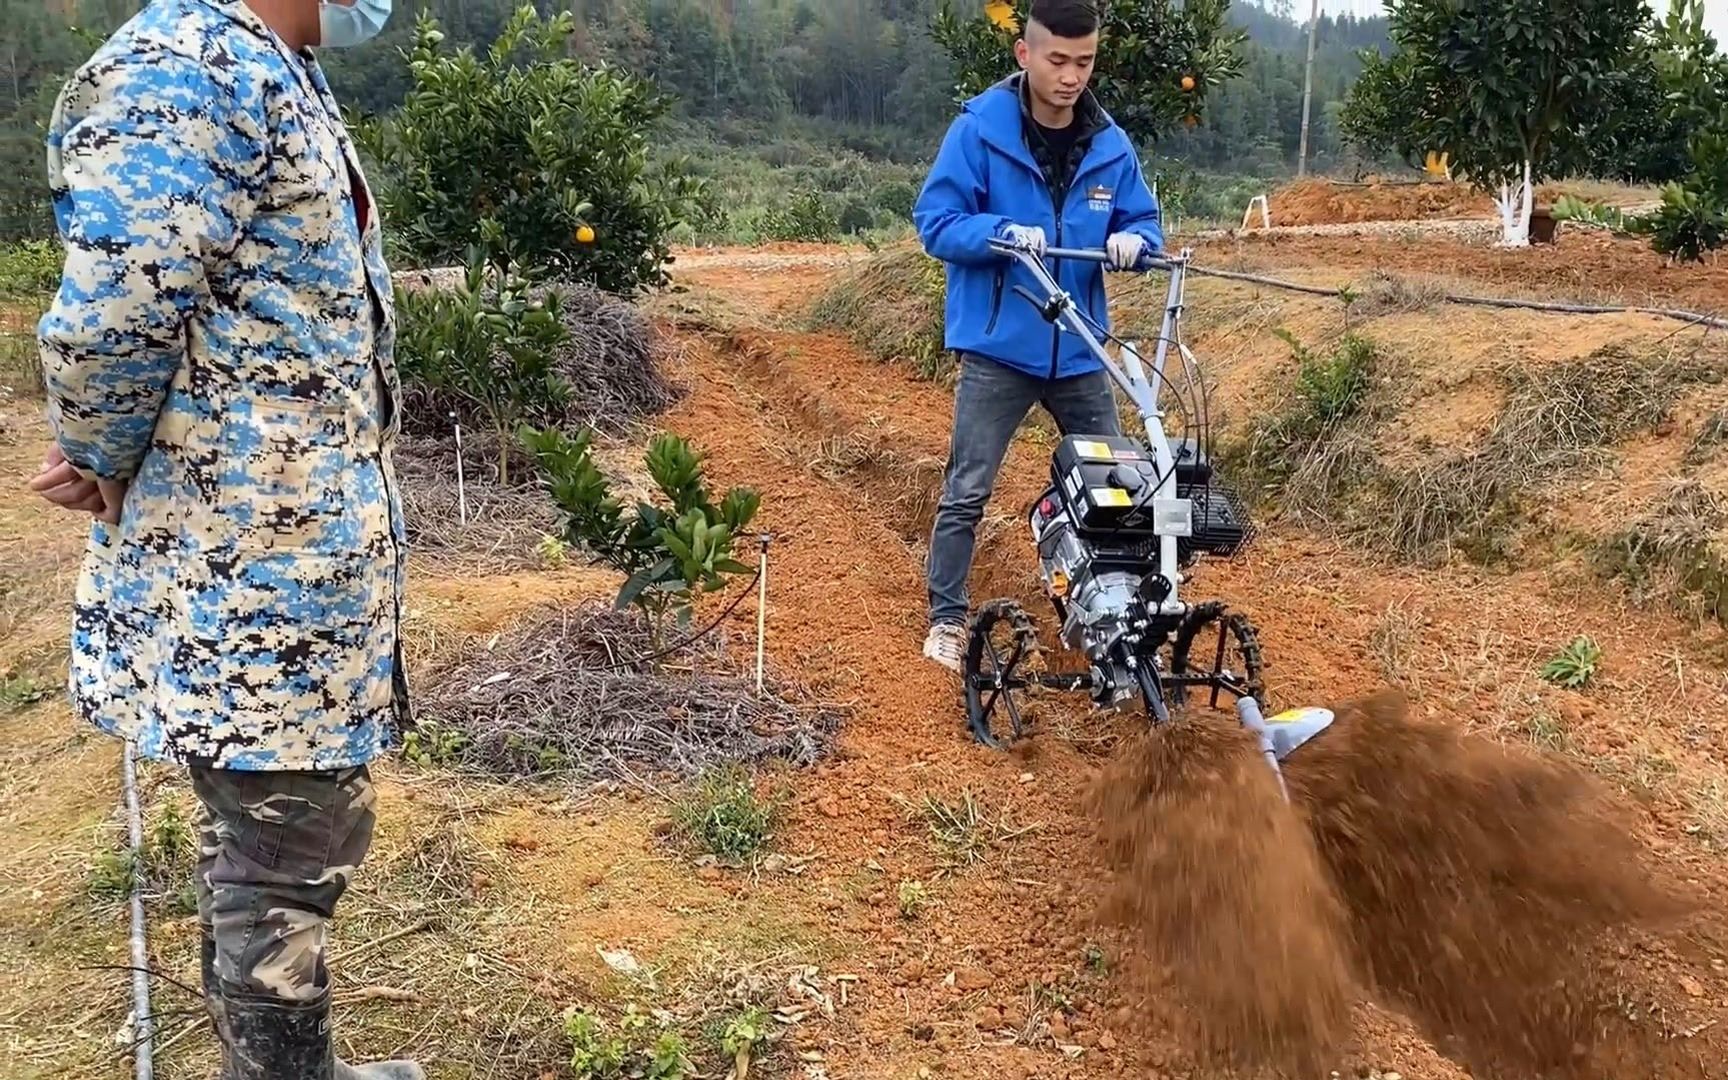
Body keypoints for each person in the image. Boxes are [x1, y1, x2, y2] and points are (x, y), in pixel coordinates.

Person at [26, 1, 418, 1076]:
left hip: (289, 558)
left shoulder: (266, 63)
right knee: (281, 843)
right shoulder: (184, 67)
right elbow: (113, 312)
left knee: (283, 832)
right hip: (248, 566)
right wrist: (98, 450)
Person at [913, 0, 1166, 672]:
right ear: (1025, 55)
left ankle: (1120, 614)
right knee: (968, 487)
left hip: (1079, 345)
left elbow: (1146, 222)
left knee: (1118, 484)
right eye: (1057, 60)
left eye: (1084, 62)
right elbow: (936, 221)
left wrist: (1134, 242)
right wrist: (996, 234)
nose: (1071, 76)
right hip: (1001, 348)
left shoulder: (1109, 145)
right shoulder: (978, 132)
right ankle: (945, 617)